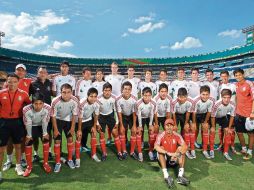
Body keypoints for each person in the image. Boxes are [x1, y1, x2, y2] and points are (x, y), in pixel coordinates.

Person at [0, 74, 31, 181]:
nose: (11, 84)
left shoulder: (24, 94)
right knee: (1, 148)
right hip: (3, 122)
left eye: (14, 81)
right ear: (6, 82)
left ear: (18, 82)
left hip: (17, 122)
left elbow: (28, 106)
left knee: (18, 145)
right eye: (9, 81)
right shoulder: (1, 93)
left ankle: (18, 166)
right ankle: (0, 171)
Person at [51, 83, 79, 172]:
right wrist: (55, 130)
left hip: (68, 120)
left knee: (70, 139)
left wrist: (72, 128)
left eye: (68, 92)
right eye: (64, 92)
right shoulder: (55, 101)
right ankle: (58, 162)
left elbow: (75, 115)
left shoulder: (75, 100)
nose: (66, 94)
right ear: (60, 92)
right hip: (58, 121)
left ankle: (70, 160)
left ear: (71, 92)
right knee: (57, 140)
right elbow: (53, 116)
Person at [155, 118, 190, 188]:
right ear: (164, 126)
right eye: (167, 125)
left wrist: (178, 154)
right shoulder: (161, 135)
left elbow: (185, 146)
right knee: (161, 148)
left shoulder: (177, 135)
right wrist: (167, 153)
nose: (169, 127)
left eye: (171, 125)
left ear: (173, 127)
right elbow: (156, 147)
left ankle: (180, 176)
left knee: (181, 149)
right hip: (165, 158)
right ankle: (166, 176)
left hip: (174, 158)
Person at [22, 93, 51, 176]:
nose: (38, 106)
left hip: (42, 125)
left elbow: (45, 121)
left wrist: (45, 133)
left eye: (40, 103)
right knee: (28, 142)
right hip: (31, 125)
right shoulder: (26, 109)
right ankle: (29, 166)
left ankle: (45, 163)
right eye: (36, 104)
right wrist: (29, 135)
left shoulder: (48, 108)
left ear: (43, 103)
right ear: (32, 103)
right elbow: (28, 123)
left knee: (45, 140)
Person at [29, 66, 54, 162]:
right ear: (37, 73)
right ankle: (36, 153)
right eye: (40, 72)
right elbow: (28, 97)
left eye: (44, 72)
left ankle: (49, 151)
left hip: (47, 113)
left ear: (47, 74)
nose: (42, 74)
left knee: (48, 133)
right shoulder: (33, 84)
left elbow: (54, 94)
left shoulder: (50, 83)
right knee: (35, 135)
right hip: (36, 113)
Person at [97, 82, 122, 161]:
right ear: (102, 91)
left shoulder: (114, 98)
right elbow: (96, 112)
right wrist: (97, 123)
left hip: (110, 116)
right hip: (101, 117)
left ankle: (119, 152)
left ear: (111, 91)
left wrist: (117, 122)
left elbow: (117, 110)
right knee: (101, 134)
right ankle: (104, 153)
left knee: (115, 133)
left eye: (109, 90)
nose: (107, 92)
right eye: (105, 90)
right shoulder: (98, 98)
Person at [233, 68, 254, 160]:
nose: (238, 77)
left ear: (243, 74)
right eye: (236, 75)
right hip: (238, 113)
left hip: (249, 113)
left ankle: (249, 151)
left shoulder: (249, 84)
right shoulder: (236, 85)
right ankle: (244, 148)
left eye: (239, 75)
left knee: (250, 134)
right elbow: (237, 97)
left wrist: (253, 112)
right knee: (239, 132)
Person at [211, 89, 236, 160]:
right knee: (212, 131)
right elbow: (212, 116)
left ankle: (225, 152)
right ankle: (212, 150)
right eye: (224, 97)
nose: (226, 99)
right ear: (221, 97)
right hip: (214, 117)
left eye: (228, 97)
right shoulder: (217, 104)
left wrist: (229, 127)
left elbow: (232, 116)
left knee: (227, 131)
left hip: (223, 117)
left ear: (230, 97)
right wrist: (213, 127)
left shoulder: (232, 104)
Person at [116, 81, 138, 160]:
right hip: (123, 116)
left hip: (132, 116)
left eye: (129, 89)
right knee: (122, 131)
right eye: (125, 89)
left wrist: (134, 125)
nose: (127, 91)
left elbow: (134, 112)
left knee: (134, 131)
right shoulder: (118, 99)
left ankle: (132, 152)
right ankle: (124, 151)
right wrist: (121, 125)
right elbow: (119, 112)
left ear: (131, 90)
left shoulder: (134, 99)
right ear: (122, 89)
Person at [78, 88, 101, 163]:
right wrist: (79, 129)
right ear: (87, 96)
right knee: (79, 136)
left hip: (88, 120)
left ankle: (93, 154)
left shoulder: (97, 103)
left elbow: (96, 114)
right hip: (79, 121)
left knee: (94, 133)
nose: (93, 98)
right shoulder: (82, 103)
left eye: (95, 96)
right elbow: (80, 117)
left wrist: (94, 126)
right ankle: (77, 158)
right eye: (91, 96)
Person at [192, 85, 215, 159]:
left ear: (209, 94)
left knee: (205, 129)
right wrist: (194, 123)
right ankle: (194, 143)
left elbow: (209, 112)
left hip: (204, 114)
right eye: (203, 94)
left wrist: (205, 122)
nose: (205, 96)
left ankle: (204, 149)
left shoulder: (212, 100)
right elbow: (194, 113)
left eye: (207, 94)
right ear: (200, 94)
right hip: (196, 114)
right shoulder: (195, 100)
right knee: (195, 129)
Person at [136, 87, 158, 161]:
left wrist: (150, 124)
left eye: (149, 96)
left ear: (151, 95)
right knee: (139, 131)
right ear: (142, 95)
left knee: (151, 131)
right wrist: (140, 126)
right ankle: (140, 152)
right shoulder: (138, 103)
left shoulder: (153, 103)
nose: (147, 97)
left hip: (149, 117)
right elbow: (138, 115)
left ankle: (150, 151)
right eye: (145, 95)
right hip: (141, 117)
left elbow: (152, 114)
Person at [171, 88, 194, 159]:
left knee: (185, 129)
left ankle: (184, 147)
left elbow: (188, 113)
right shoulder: (174, 102)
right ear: (177, 96)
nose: (182, 99)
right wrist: (175, 124)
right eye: (180, 97)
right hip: (176, 115)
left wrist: (186, 123)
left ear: (186, 96)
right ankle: (174, 145)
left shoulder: (190, 102)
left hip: (184, 115)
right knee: (174, 129)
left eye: (184, 97)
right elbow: (174, 114)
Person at [218, 70, 237, 153]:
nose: (224, 78)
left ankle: (232, 145)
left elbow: (236, 98)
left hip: (230, 111)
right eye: (222, 76)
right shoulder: (219, 86)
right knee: (221, 129)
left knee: (231, 129)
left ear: (228, 77)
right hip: (222, 111)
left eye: (225, 76)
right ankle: (221, 144)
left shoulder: (233, 86)